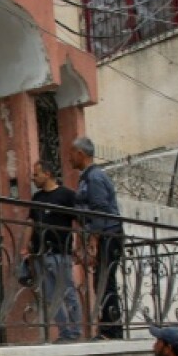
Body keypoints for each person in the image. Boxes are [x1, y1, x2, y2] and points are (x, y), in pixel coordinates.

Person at [68, 136, 123, 339]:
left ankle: (111, 330)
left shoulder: (95, 177)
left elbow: (100, 211)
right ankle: (110, 327)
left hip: (109, 234)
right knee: (102, 280)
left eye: (71, 154)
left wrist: (93, 241)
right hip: (104, 234)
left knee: (104, 280)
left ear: (81, 154)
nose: (69, 158)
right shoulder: (86, 177)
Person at [24, 159, 82, 342]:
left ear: (47, 174)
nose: (33, 178)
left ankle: (74, 332)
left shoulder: (66, 195)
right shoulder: (37, 198)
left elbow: (79, 221)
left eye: (36, 174)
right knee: (49, 297)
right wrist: (25, 248)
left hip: (60, 253)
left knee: (67, 292)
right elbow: (30, 222)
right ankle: (64, 332)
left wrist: (79, 246)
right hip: (40, 254)